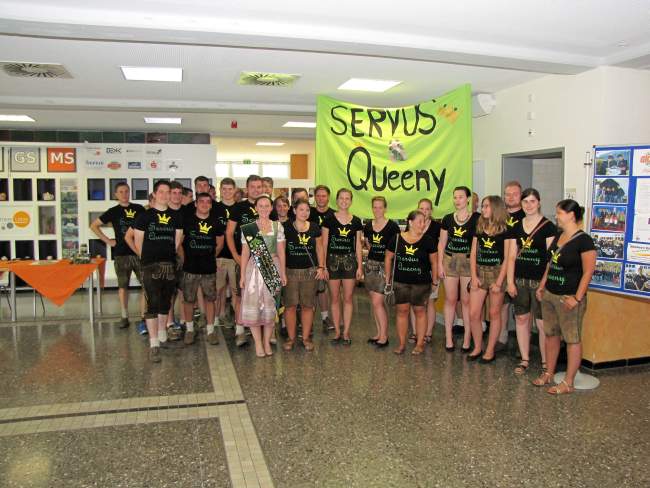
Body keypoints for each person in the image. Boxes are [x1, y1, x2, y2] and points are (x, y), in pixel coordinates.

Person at [533, 200, 596, 395]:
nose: (556, 216)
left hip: (569, 298)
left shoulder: (584, 241)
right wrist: (542, 285)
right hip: (550, 294)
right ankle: (549, 373)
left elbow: (588, 272)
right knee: (551, 335)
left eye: (559, 213)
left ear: (571, 215)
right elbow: (550, 263)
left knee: (572, 339)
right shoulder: (558, 236)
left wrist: (577, 298)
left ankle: (568, 382)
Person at [506, 188, 557, 375]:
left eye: (532, 201)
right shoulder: (516, 227)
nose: (528, 205)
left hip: (539, 282)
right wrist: (510, 282)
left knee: (542, 323)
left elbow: (551, 260)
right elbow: (511, 256)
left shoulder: (548, 227)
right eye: (525, 202)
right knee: (521, 318)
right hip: (519, 280)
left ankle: (545, 362)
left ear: (539, 203)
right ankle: (525, 359)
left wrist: (543, 284)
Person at [132, 180, 183, 363]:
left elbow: (177, 241)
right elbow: (138, 242)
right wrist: (148, 260)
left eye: (168, 192)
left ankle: (162, 336)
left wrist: (167, 256)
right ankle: (153, 344)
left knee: (165, 302)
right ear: (154, 194)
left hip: (169, 265)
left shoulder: (176, 217)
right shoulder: (144, 217)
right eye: (161, 192)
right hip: (149, 266)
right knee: (152, 304)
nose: (164, 195)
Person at [90, 182, 145, 329]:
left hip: (139, 253)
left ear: (130, 192)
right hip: (121, 253)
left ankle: (144, 316)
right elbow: (93, 225)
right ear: (116, 195)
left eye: (126, 191)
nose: (124, 194)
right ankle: (124, 316)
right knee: (123, 286)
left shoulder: (139, 209)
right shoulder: (113, 211)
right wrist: (108, 241)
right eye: (121, 192)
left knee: (146, 286)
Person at [239, 195, 287, 357]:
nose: (264, 208)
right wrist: (242, 275)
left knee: (270, 308)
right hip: (253, 270)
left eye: (267, 206)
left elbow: (281, 251)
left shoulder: (278, 226)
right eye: (261, 206)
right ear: (256, 208)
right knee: (254, 307)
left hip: (272, 268)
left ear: (271, 208)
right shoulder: (249, 228)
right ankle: (258, 343)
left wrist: (283, 273)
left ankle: (266, 342)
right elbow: (245, 253)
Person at [467, 196, 513, 362]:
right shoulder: (479, 227)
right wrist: (473, 276)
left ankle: (490, 350)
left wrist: (499, 282)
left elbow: (507, 258)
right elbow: (473, 253)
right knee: (473, 313)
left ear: (495, 208)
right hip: (480, 272)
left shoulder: (506, 230)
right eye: (483, 206)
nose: (483, 209)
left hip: (497, 273)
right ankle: (478, 347)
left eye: (486, 206)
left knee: (494, 313)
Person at [385, 210, 438, 355]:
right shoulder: (396, 238)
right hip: (400, 282)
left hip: (421, 283)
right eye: (419, 221)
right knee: (402, 311)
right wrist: (388, 279)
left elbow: (434, 262)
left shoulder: (428, 240)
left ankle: (420, 344)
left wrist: (434, 281)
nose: (423, 224)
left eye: (424, 221)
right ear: (410, 222)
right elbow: (388, 258)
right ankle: (402, 344)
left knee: (420, 311)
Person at [226, 174, 268, 347]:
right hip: (244, 258)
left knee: (264, 296)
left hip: (264, 259)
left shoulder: (268, 205)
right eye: (253, 187)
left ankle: (265, 331)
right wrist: (236, 255)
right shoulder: (238, 208)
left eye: (259, 187)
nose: (256, 190)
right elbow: (229, 233)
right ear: (247, 188)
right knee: (241, 295)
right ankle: (240, 331)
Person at [178, 192, 224, 346]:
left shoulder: (216, 222)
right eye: (201, 201)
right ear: (196, 204)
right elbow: (179, 243)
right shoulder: (187, 221)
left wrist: (211, 256)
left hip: (209, 268)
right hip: (190, 268)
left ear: (211, 205)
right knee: (188, 300)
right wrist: (185, 259)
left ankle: (210, 331)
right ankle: (190, 330)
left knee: (210, 299)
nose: (205, 204)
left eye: (208, 202)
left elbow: (220, 243)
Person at [282, 199, 326, 351]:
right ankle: (291, 338)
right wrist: (282, 271)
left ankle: (306, 338)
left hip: (310, 272)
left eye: (307, 210)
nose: (304, 213)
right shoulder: (286, 227)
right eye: (301, 209)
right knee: (290, 306)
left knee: (308, 306)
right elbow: (281, 250)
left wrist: (321, 267)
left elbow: (320, 248)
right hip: (290, 272)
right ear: (294, 210)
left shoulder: (314, 227)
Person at [438, 186, 478, 352]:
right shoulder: (447, 218)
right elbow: (442, 243)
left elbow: (477, 245)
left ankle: (467, 338)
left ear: (468, 199)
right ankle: (448, 337)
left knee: (467, 301)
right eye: (455, 197)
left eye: (461, 197)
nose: (457, 200)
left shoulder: (476, 218)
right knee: (450, 299)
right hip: (450, 260)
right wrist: (440, 264)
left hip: (468, 261)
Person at [321, 188, 363, 344]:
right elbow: (324, 244)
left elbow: (358, 245)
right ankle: (337, 331)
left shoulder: (356, 221)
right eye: (341, 198)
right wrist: (323, 266)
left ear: (351, 201)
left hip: (350, 262)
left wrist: (360, 266)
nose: (344, 201)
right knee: (334, 298)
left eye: (347, 198)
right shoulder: (328, 220)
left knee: (348, 298)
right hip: (331, 262)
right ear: (337, 200)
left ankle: (346, 332)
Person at [363, 196, 400, 347]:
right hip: (370, 266)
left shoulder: (392, 227)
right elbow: (368, 244)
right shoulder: (368, 226)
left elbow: (396, 250)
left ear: (385, 208)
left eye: (380, 207)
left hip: (385, 267)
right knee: (374, 302)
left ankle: (384, 337)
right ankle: (379, 333)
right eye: (375, 207)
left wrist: (389, 273)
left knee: (378, 302)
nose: (377, 210)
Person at [498, 181, 527, 351]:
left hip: (520, 268)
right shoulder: (499, 215)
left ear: (521, 195)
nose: (510, 197)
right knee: (501, 304)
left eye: (514, 194)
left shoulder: (526, 216)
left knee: (521, 310)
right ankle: (501, 338)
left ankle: (521, 345)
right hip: (499, 267)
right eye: (507, 194)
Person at [407, 198, 441, 345]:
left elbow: (441, 248)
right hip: (414, 269)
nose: (424, 211)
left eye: (427, 209)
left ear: (431, 211)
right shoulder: (412, 224)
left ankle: (428, 333)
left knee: (430, 302)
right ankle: (415, 332)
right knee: (414, 302)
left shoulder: (437, 227)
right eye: (422, 208)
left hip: (431, 270)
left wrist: (437, 272)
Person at [213, 178, 238, 329]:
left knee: (236, 290)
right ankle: (217, 317)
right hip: (219, 256)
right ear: (220, 190)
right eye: (224, 189)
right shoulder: (214, 208)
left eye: (230, 189)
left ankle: (238, 321)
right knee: (218, 289)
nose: (227, 192)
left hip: (236, 256)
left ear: (235, 190)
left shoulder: (240, 208)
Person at [312, 185, 336, 331]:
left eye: (324, 196)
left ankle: (326, 317)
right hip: (311, 257)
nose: (321, 198)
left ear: (328, 197)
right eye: (318, 196)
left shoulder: (334, 215)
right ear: (315, 197)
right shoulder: (308, 212)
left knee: (327, 291)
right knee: (312, 290)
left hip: (331, 257)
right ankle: (306, 323)